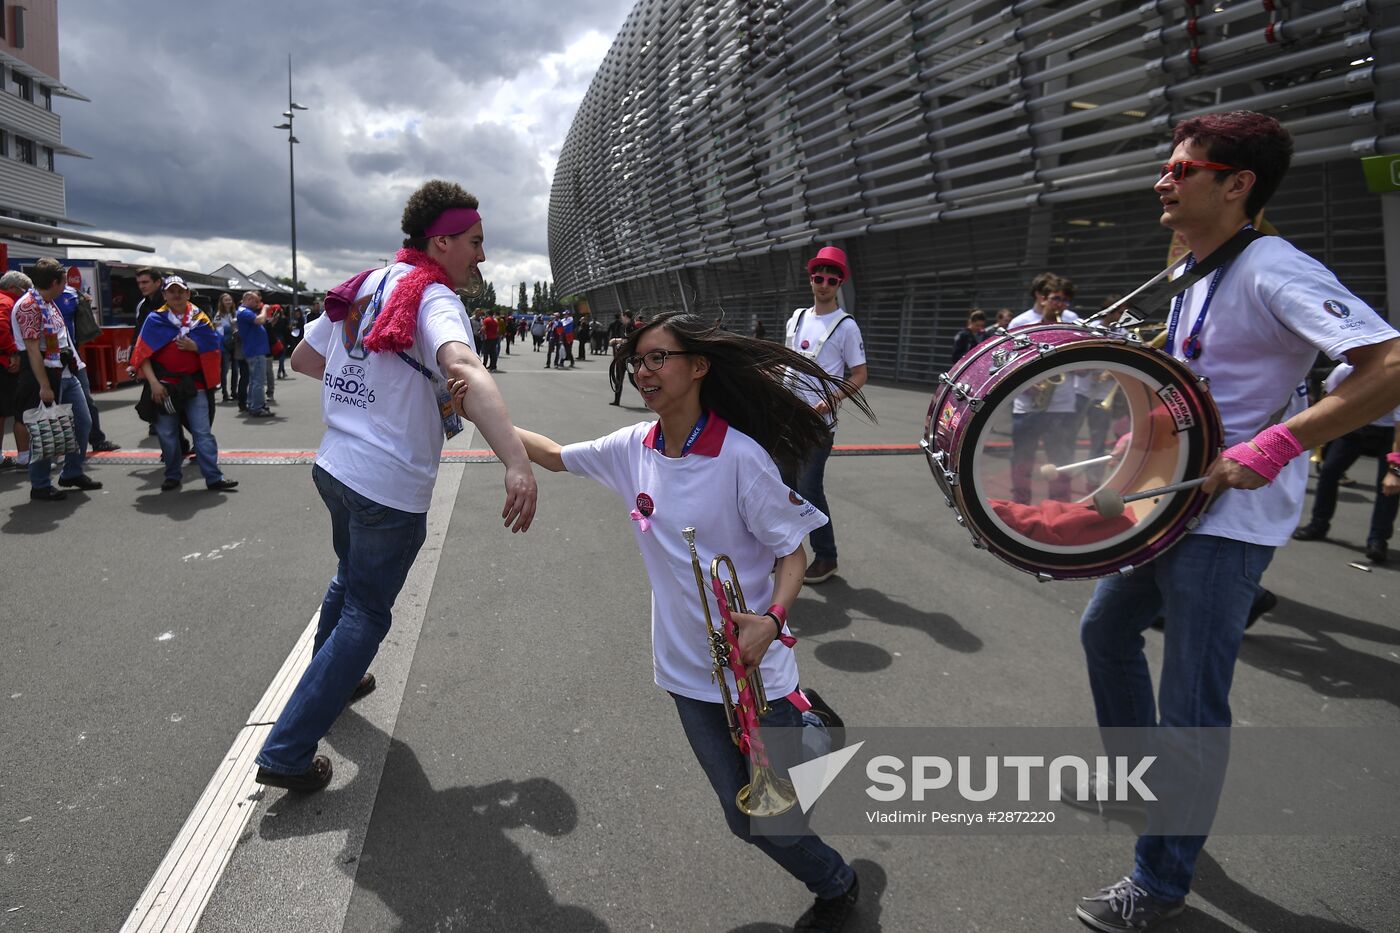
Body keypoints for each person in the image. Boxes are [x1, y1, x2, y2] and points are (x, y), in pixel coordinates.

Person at [1073, 111, 1400, 933]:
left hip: (1231, 520)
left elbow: (1389, 362)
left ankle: (1159, 880)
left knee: (1191, 701)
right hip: (1174, 501)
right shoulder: (1195, 264)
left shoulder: (1273, 268)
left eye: (1182, 169)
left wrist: (1276, 444)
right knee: (1105, 634)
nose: (1164, 179)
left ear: (1237, 183)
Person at [504, 311, 871, 932]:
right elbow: (555, 456)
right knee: (743, 812)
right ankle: (812, 729)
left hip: (755, 668)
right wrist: (478, 410)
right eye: (637, 360)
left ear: (697, 367)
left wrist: (772, 619)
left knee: (760, 819)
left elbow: (793, 551)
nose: (643, 371)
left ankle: (838, 880)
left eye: (657, 359)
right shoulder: (633, 448)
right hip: (685, 673)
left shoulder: (739, 458)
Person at [253, 179, 537, 793]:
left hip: (335, 467)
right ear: (441, 241)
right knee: (368, 613)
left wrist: (368, 397)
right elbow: (463, 366)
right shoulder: (433, 297)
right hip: (386, 486)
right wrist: (515, 460)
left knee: (348, 581)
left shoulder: (369, 283)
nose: (481, 256)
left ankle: (338, 676)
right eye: (475, 242)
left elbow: (305, 360)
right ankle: (287, 749)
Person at [782, 246, 868, 585]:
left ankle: (826, 556)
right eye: (819, 277)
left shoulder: (846, 326)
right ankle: (786, 552)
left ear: (840, 283)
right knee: (783, 487)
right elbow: (788, 360)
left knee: (809, 489)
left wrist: (831, 399)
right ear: (811, 279)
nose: (824, 284)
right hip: (787, 418)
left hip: (818, 423)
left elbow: (859, 373)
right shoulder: (797, 318)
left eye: (832, 279)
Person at [130, 277, 238, 492]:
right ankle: (172, 475)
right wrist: (153, 384)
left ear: (188, 294)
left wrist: (195, 347)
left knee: (202, 432)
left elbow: (214, 349)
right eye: (172, 291)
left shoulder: (200, 319)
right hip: (165, 387)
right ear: (165, 296)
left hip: (195, 385)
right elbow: (142, 355)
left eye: (181, 291)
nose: (176, 295)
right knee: (168, 434)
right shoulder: (155, 319)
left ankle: (214, 477)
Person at [1291, 362, 1400, 563]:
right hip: (1354, 426)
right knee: (1329, 472)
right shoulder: (1345, 370)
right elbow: (1328, 402)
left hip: (1390, 433)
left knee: (1389, 488)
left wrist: (1395, 470)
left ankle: (1378, 540)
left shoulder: (1396, 376)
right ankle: (1318, 524)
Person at [13, 259, 100, 500]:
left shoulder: (48, 302)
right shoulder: (29, 305)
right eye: (63, 283)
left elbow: (61, 338)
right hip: (46, 374)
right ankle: (40, 485)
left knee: (83, 421)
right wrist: (44, 385)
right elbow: (32, 349)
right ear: (55, 282)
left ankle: (71, 472)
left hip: (66, 370)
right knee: (45, 429)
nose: (66, 287)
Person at [1007, 274, 1080, 504]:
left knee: (1061, 460)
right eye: (1057, 298)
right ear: (1042, 297)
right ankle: (1021, 503)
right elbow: (1009, 361)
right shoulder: (1020, 323)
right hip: (1028, 404)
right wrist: (1028, 385)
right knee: (1022, 458)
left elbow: (1082, 363)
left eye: (1065, 300)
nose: (1061, 304)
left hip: (1062, 404)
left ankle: (1059, 506)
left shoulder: (1072, 319)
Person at [0, 272, 33, 471]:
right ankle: (23, 456)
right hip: (5, 365)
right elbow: (1, 327)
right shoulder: (6, 302)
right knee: (17, 410)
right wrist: (14, 351)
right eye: (24, 289)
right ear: (14, 287)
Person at [236, 291, 272, 417]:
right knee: (258, 381)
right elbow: (260, 320)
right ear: (249, 299)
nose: (258, 304)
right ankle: (257, 407)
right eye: (256, 301)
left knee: (254, 380)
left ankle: (253, 404)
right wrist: (265, 309)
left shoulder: (245, 312)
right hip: (255, 351)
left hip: (255, 350)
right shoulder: (244, 311)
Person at [212, 292, 238, 402]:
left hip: (235, 342)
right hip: (224, 344)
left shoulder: (234, 313)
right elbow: (218, 330)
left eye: (230, 300)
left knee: (236, 370)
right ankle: (224, 393)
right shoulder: (219, 314)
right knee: (225, 369)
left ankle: (234, 391)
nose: (228, 302)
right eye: (226, 300)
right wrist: (230, 328)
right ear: (221, 302)